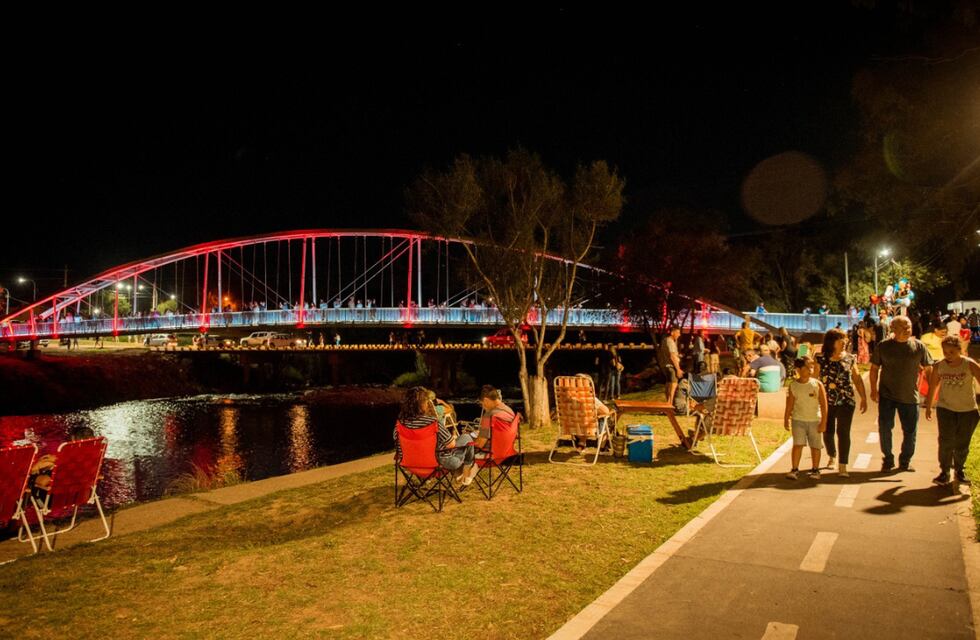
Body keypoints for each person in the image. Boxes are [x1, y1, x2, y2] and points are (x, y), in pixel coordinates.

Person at [870, 315, 934, 472]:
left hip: (910, 397)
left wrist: (930, 392)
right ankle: (888, 459)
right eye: (903, 327)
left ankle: (905, 461)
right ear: (893, 329)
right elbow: (874, 369)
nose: (907, 330)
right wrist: (873, 389)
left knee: (910, 431)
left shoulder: (919, 347)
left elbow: (929, 369)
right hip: (887, 395)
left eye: (909, 326)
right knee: (885, 428)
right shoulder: (883, 346)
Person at [925, 336, 980, 485]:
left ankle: (959, 470)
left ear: (959, 350)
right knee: (945, 441)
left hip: (968, 410)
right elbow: (933, 387)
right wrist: (929, 406)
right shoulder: (939, 366)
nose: (947, 355)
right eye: (945, 352)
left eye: (951, 352)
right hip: (946, 409)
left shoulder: (970, 365)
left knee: (963, 442)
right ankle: (944, 471)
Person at [814, 328, 868, 477]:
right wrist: (812, 398)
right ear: (832, 342)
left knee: (843, 432)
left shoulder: (850, 358)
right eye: (840, 339)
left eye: (845, 339)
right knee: (827, 431)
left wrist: (863, 397)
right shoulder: (820, 358)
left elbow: (856, 378)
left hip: (846, 400)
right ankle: (832, 455)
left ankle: (843, 465)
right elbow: (815, 379)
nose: (844, 342)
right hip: (826, 400)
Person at [393, 387, 475, 484]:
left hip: (410, 464)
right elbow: (451, 445)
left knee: (459, 441)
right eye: (426, 401)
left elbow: (398, 444)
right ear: (423, 404)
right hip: (436, 463)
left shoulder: (399, 424)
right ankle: (466, 472)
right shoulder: (433, 423)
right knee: (466, 438)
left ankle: (457, 473)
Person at [784, 356, 828, 480]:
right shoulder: (793, 385)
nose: (811, 370)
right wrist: (786, 418)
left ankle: (815, 469)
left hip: (814, 420)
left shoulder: (817, 384)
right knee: (798, 444)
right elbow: (790, 404)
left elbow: (824, 405)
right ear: (798, 369)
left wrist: (824, 421)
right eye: (807, 367)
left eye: (812, 367)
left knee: (815, 446)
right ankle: (794, 469)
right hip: (798, 420)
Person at [26, 426, 96, 501]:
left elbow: (44, 482)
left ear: (73, 438)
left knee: (31, 476)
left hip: (59, 497)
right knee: (44, 465)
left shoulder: (71, 459)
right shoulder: (92, 457)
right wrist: (56, 460)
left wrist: (36, 470)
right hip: (82, 494)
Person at [658, 326, 682, 405]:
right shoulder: (670, 341)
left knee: (668, 383)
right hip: (671, 366)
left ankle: (667, 404)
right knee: (673, 384)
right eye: (677, 333)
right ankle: (670, 404)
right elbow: (672, 356)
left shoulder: (665, 340)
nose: (679, 334)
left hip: (666, 366)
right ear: (672, 333)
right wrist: (678, 369)